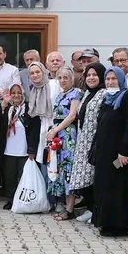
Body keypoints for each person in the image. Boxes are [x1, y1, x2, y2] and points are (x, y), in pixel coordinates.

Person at [93, 68, 128, 237]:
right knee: (106, 187)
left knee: (119, 188)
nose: (110, 82)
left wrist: (124, 151)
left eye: (114, 79)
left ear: (121, 79)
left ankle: (120, 226)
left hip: (121, 154)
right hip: (105, 153)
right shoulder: (108, 97)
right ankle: (106, 223)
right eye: (107, 79)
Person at [0, 84, 43, 210]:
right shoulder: (7, 108)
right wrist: (4, 102)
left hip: (24, 150)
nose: (16, 95)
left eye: (19, 92)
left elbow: (34, 130)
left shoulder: (29, 108)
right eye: (13, 93)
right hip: (8, 150)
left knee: (23, 176)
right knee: (9, 177)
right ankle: (11, 199)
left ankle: (22, 199)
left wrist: (32, 150)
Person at [70, 63, 107, 223]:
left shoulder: (104, 93)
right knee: (84, 178)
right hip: (83, 141)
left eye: (94, 75)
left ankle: (96, 211)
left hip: (96, 142)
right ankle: (91, 208)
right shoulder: (87, 93)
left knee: (94, 178)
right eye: (88, 75)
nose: (91, 78)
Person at [46, 67, 81, 219]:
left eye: (66, 77)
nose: (63, 80)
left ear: (72, 78)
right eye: (60, 78)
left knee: (68, 169)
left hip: (68, 135)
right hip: (58, 135)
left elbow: (72, 115)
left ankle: (70, 209)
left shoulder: (75, 93)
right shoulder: (60, 95)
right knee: (59, 168)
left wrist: (56, 130)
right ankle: (65, 205)